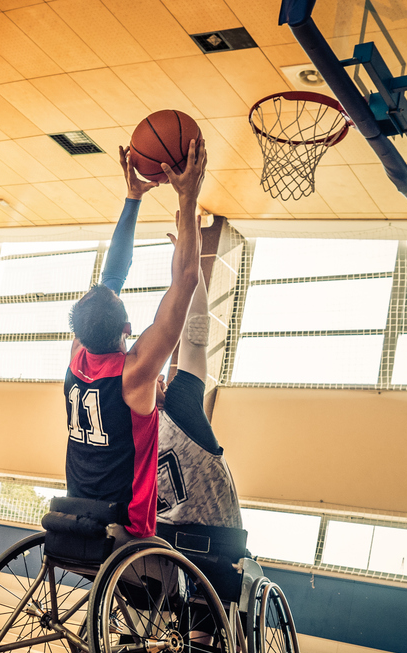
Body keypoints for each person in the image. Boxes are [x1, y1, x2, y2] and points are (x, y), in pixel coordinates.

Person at [65, 138, 207, 540]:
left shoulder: (77, 357)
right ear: (127, 330)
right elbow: (186, 281)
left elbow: (112, 277)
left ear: (80, 332)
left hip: (75, 514)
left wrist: (132, 199)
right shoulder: (135, 373)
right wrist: (188, 196)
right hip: (124, 528)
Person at [155, 260, 241, 530]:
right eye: (155, 377)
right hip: (213, 541)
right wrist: (192, 266)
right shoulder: (179, 410)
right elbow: (196, 334)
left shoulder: (120, 429)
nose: (161, 377)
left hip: (154, 544)